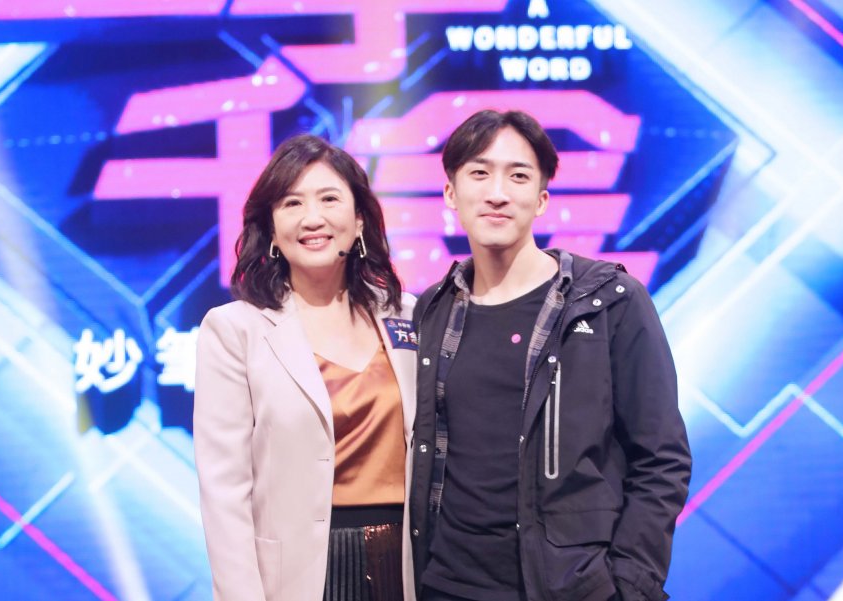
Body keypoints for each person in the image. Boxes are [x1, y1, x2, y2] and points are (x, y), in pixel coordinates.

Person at [409, 110, 692, 601]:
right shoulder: (433, 309)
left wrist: (629, 585)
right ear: (451, 193)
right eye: (479, 173)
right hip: (447, 585)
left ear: (541, 199)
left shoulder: (608, 302)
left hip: (569, 587)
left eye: (518, 176)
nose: (498, 192)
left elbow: (661, 458)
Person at [194, 134, 417, 601]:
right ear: (272, 230)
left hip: (408, 564)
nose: (312, 218)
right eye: (292, 203)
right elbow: (225, 492)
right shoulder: (236, 330)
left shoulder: (409, 315)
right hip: (299, 574)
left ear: (359, 219)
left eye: (329, 199)